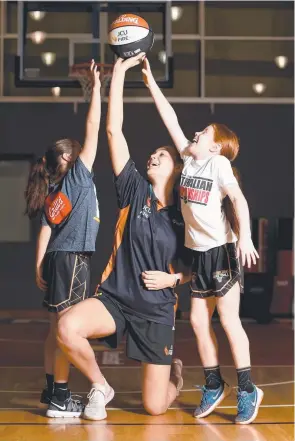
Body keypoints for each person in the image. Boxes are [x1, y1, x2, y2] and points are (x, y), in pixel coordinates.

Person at [56, 53, 191, 421]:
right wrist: (120, 74)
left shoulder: (184, 214)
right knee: (67, 326)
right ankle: (101, 385)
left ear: (175, 168)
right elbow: (114, 130)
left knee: (155, 406)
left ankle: (175, 376)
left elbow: (198, 270)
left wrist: (173, 278)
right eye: (153, 153)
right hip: (116, 298)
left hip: (157, 309)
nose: (153, 156)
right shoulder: (134, 191)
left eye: (160, 155)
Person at [143, 58, 263, 425]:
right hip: (199, 255)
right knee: (197, 321)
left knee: (228, 321)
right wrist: (150, 83)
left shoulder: (217, 165)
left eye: (204, 133)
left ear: (216, 146)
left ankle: (247, 388)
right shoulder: (190, 160)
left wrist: (244, 237)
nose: (196, 134)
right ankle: (214, 383)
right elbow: (171, 119)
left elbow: (239, 200)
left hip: (223, 252)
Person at [25, 61, 102, 417]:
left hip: (57, 257)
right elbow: (94, 127)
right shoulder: (75, 179)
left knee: (56, 327)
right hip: (73, 259)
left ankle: (49, 389)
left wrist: (39, 263)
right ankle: (60, 395)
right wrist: (98, 89)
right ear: (70, 158)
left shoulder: (53, 188)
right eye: (78, 150)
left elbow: (45, 229)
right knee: (68, 331)